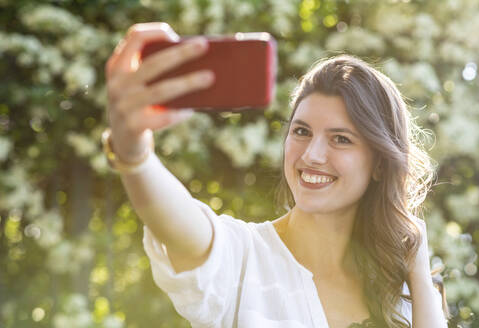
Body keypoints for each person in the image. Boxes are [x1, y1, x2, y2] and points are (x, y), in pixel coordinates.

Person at [102, 22, 449, 328]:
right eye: (301, 132)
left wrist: (418, 269)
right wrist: (134, 155)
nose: (311, 155)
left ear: (379, 164)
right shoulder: (242, 257)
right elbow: (181, 226)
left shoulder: (402, 287)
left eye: (340, 139)